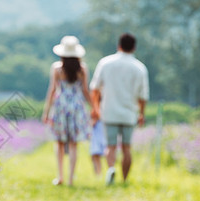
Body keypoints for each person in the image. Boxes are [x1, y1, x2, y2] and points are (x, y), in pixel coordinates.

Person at [90, 33, 149, 185]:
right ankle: (124, 179)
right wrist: (141, 113)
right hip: (129, 113)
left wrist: (96, 108)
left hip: (109, 111)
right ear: (134, 47)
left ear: (119, 45)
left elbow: (95, 89)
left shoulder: (105, 63)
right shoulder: (140, 68)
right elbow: (143, 96)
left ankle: (111, 169)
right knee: (127, 147)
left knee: (110, 146)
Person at [42, 36, 95, 186]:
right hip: (77, 107)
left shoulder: (57, 68)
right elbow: (85, 91)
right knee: (73, 144)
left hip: (60, 106)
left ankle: (60, 176)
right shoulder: (82, 69)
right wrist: (94, 108)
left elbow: (52, 90)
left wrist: (46, 112)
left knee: (59, 143)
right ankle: (71, 178)